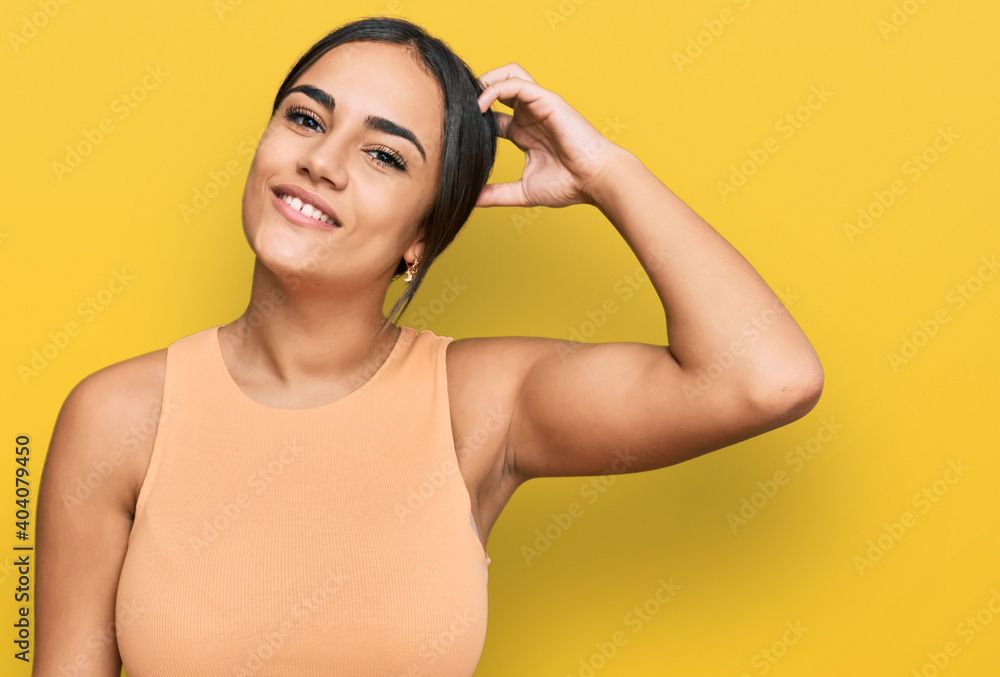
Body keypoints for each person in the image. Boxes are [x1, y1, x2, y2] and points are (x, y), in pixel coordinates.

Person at [33, 15, 823, 677]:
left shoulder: (480, 402)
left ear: (421, 238)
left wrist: (608, 172)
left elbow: (766, 377)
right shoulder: (117, 416)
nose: (320, 160)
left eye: (384, 155)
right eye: (306, 118)